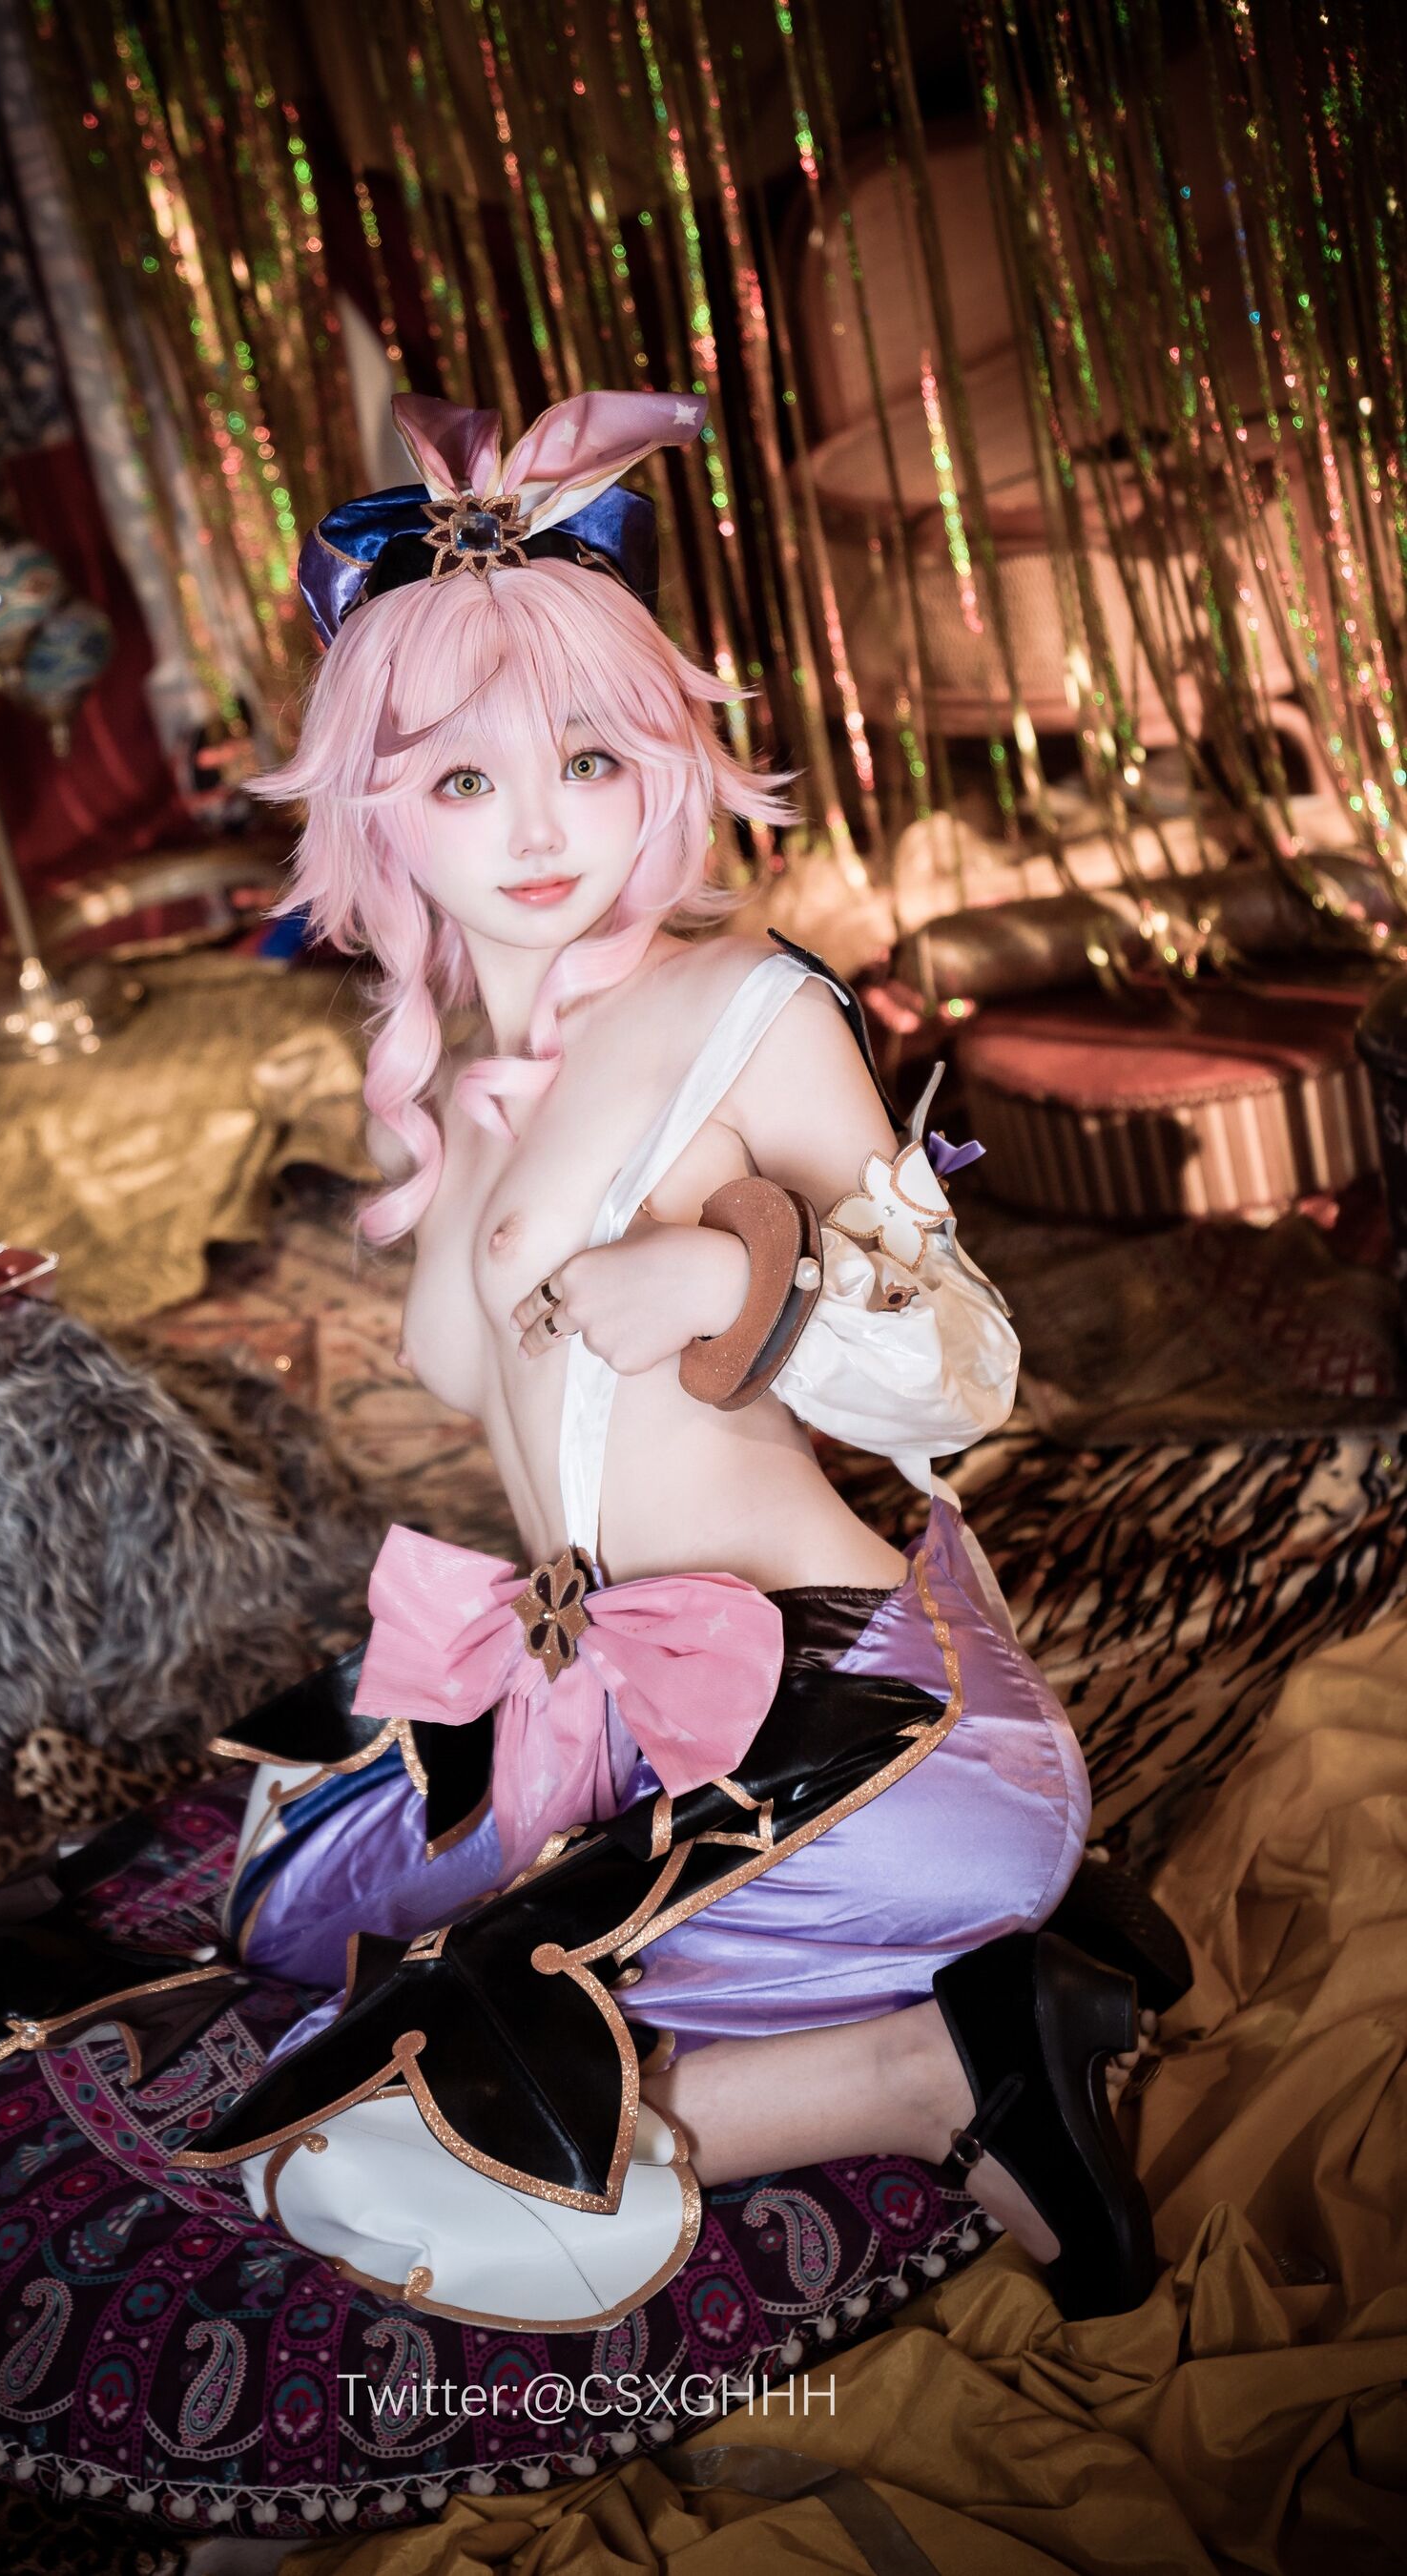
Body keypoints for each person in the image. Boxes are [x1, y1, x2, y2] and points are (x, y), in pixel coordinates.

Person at [175, 388, 1165, 2332]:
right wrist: (482, 1157)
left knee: (374, 2127)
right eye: (464, 782)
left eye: (589, 759)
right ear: (377, 809)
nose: (541, 830)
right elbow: (493, 1392)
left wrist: (732, 1272)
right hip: (624, 1704)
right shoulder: (465, 1081)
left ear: (665, 761)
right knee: (297, 1926)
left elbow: (968, 1375)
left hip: (863, 1727)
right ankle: (995, 2010)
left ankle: (944, 2061)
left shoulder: (747, 1002)